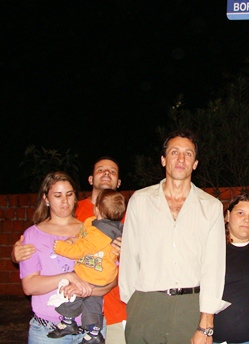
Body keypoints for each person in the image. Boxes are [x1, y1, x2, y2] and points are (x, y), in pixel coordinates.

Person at [119, 129, 229, 343]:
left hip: (190, 308)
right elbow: (129, 258)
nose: (181, 158)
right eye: (174, 152)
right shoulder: (139, 201)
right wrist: (133, 305)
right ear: (163, 159)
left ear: (195, 163)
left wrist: (206, 322)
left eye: (188, 154)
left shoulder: (211, 207)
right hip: (145, 305)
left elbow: (213, 268)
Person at [12, 156, 126, 344]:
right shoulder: (33, 234)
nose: (64, 201)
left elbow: (111, 277)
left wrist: (86, 288)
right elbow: (29, 285)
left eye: (69, 194)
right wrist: (70, 278)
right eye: (57, 195)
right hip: (48, 332)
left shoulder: (93, 229)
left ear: (75, 196)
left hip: (91, 330)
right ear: (46, 199)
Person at [47, 189, 126, 344]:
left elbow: (81, 250)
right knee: (92, 302)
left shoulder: (102, 233)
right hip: (96, 273)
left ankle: (69, 321)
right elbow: (82, 237)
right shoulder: (92, 222)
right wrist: (73, 239)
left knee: (73, 292)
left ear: (97, 208)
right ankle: (94, 332)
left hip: (96, 274)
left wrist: (61, 247)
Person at [213, 193, 249, 344]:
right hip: (215, 339)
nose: (247, 219)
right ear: (227, 216)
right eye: (240, 213)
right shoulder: (211, 251)